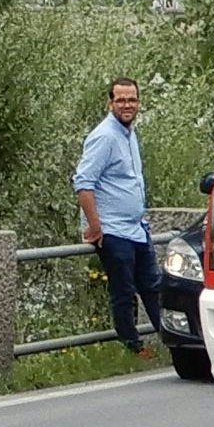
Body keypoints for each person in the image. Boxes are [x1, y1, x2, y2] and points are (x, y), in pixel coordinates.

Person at [74, 79, 157, 354]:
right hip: (113, 230)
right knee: (124, 291)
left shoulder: (129, 133)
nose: (127, 105)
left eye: (131, 100)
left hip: (135, 228)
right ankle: (132, 348)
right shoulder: (105, 136)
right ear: (110, 103)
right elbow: (83, 183)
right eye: (121, 100)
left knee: (152, 287)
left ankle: (174, 341)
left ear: (139, 103)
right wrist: (96, 227)